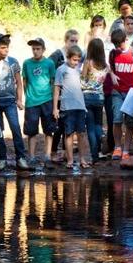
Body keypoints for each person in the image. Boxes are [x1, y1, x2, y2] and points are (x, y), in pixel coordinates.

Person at [0, 33, 30, 170]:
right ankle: (2, 158)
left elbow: (19, 82)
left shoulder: (13, 62)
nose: (6, 50)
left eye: (7, 47)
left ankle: (21, 158)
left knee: (15, 128)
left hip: (10, 100)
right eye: (3, 48)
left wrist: (19, 99)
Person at [109, 27, 133, 166]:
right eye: (115, 45)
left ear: (125, 40)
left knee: (129, 122)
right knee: (116, 119)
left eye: (120, 44)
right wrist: (112, 74)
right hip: (117, 90)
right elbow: (109, 67)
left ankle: (126, 150)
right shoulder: (113, 53)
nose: (118, 47)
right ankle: (117, 147)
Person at [53, 45, 90, 169]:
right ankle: (69, 160)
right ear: (67, 57)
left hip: (80, 106)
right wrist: (55, 108)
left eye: (78, 60)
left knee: (81, 134)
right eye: (74, 60)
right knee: (68, 134)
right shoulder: (61, 69)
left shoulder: (78, 70)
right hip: (67, 107)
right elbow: (57, 88)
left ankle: (82, 159)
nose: (76, 62)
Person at [22, 38, 56, 167]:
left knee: (49, 129)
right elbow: (24, 81)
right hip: (31, 102)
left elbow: (53, 82)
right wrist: (28, 95)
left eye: (38, 49)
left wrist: (53, 101)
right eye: (33, 49)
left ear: (43, 49)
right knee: (31, 131)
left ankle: (47, 156)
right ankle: (31, 156)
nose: (35, 51)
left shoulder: (49, 63)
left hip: (47, 100)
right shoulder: (27, 63)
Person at [48, 29, 79, 163]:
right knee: (58, 125)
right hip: (59, 95)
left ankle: (66, 152)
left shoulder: (77, 54)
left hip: (71, 95)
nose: (74, 43)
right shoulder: (57, 55)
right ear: (65, 40)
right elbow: (48, 68)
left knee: (69, 125)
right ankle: (53, 151)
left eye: (76, 41)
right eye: (71, 41)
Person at [82, 37, 108, 164]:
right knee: (98, 124)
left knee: (90, 128)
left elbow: (83, 79)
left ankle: (94, 156)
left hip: (87, 97)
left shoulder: (88, 62)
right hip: (100, 97)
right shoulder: (105, 65)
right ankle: (102, 136)